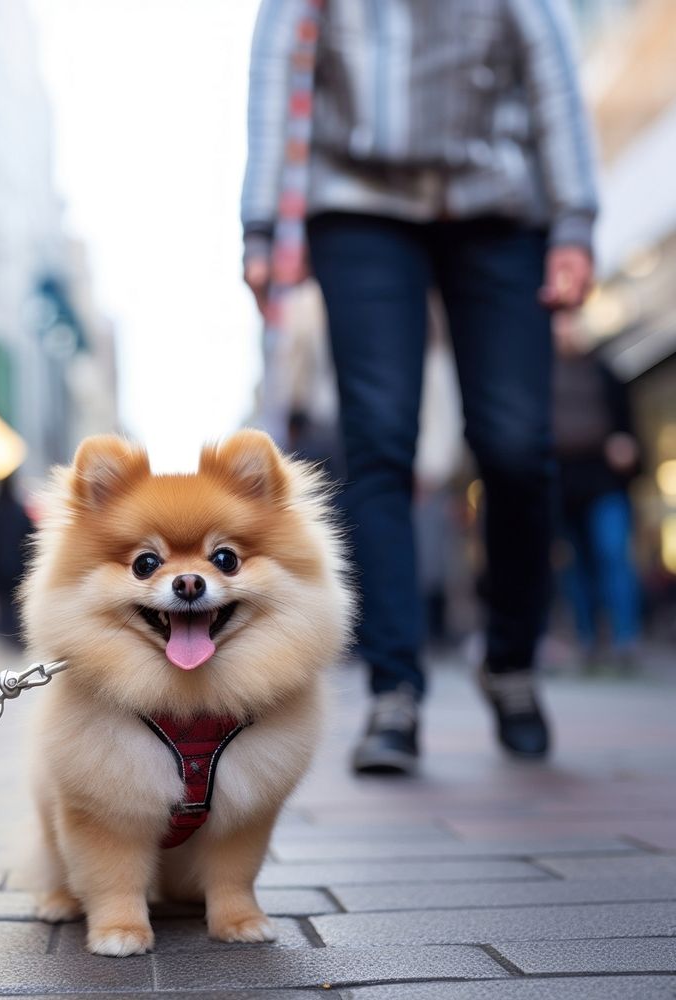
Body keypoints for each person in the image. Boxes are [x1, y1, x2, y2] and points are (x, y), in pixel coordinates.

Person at [242, 0, 598, 774]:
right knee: (378, 442)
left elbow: (552, 75)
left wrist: (573, 221)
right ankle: (393, 690)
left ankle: (511, 662)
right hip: (358, 208)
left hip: (499, 202)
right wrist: (262, 226)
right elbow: (276, 74)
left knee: (514, 446)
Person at [553, 318, 641, 667]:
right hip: (564, 482)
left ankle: (625, 638)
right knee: (575, 565)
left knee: (612, 554)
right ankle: (587, 639)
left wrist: (626, 445)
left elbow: (628, 424)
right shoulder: (542, 371)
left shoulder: (604, 370)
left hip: (603, 478)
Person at [0, 474, 34, 646]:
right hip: (18, 569)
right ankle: (18, 638)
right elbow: (31, 537)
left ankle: (7, 636)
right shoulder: (20, 512)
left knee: (4, 605)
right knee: (18, 604)